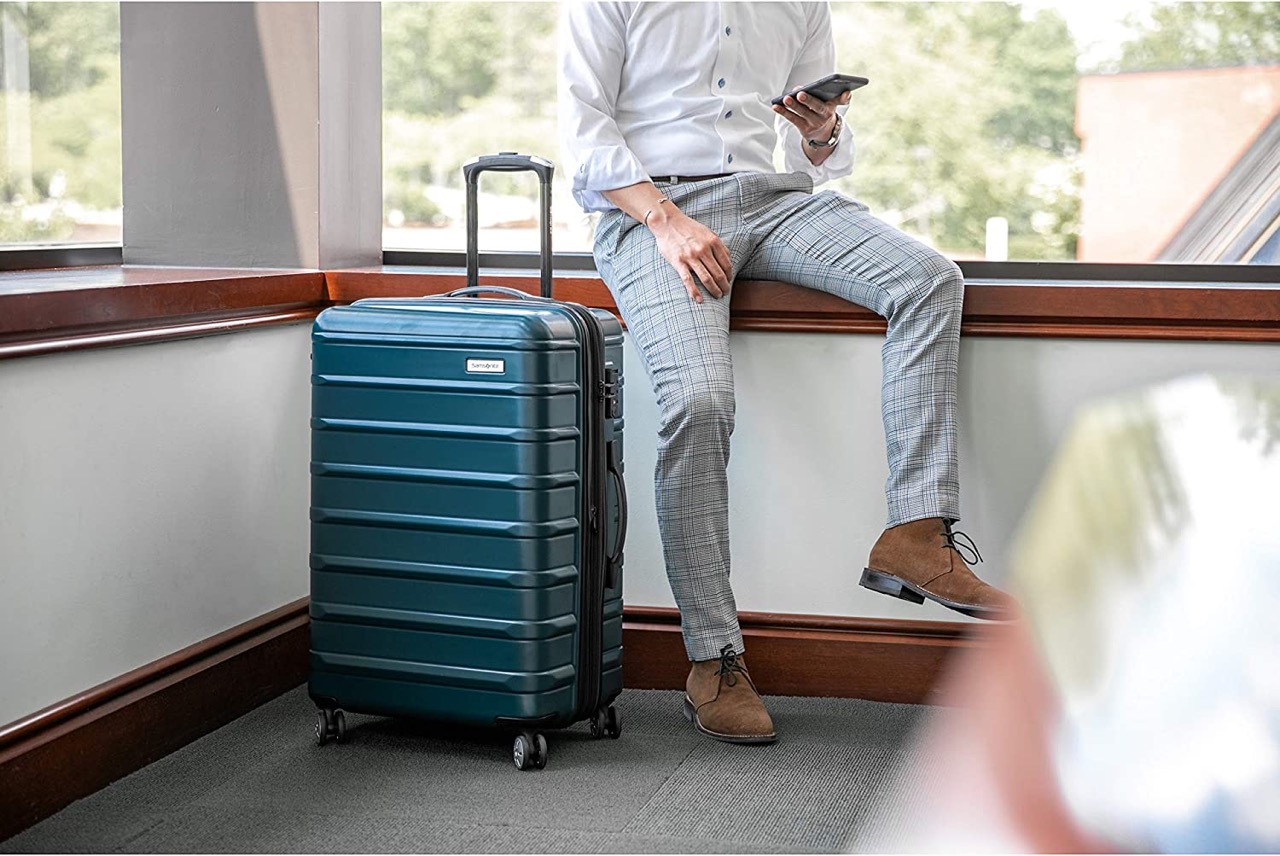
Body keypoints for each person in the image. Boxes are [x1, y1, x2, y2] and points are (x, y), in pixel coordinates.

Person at [559, 1, 1016, 745]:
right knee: (700, 401)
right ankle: (714, 658)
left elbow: (823, 153)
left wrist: (820, 128)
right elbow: (586, 132)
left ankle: (917, 533)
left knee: (930, 279)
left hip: (771, 202)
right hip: (652, 210)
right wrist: (666, 222)